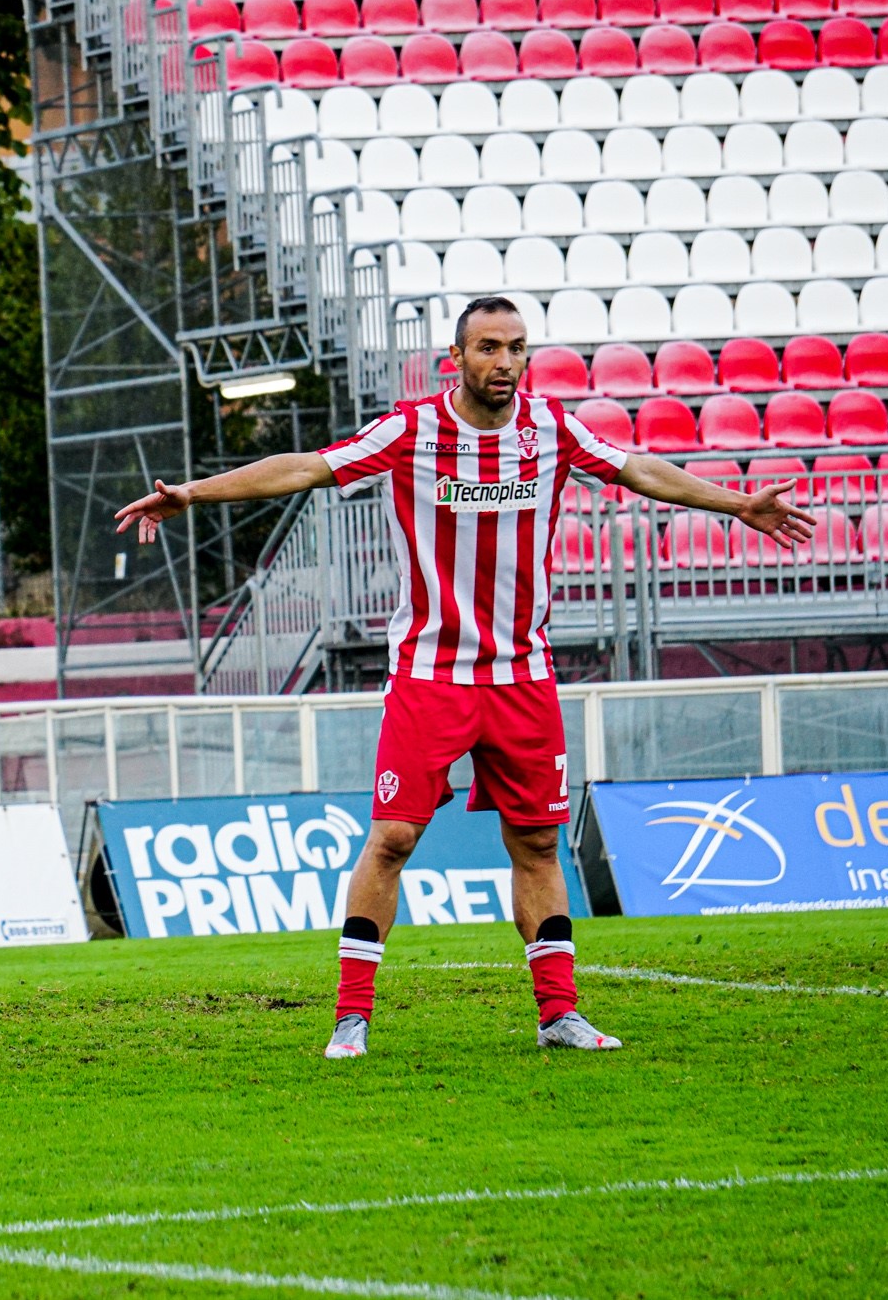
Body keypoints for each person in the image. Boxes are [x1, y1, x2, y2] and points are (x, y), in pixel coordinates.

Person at [114, 296, 814, 1059]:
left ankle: (559, 1014)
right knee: (392, 837)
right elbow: (309, 467)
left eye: (517, 347)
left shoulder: (550, 428)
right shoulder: (413, 429)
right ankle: (352, 1016)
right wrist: (194, 493)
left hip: (523, 675)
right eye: (489, 347)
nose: (506, 362)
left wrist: (739, 503)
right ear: (458, 357)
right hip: (430, 673)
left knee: (539, 844)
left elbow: (637, 468)